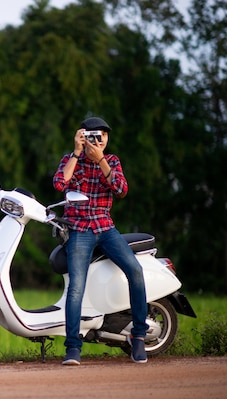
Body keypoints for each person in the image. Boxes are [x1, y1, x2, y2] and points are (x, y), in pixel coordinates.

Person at [52, 116, 149, 365]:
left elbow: (121, 190)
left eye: (103, 136)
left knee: (135, 271)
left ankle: (138, 336)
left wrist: (102, 161)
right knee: (76, 288)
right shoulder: (71, 160)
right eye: (93, 136)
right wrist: (75, 153)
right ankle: (73, 347)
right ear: (82, 137)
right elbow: (60, 183)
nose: (99, 140)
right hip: (79, 229)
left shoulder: (112, 161)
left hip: (105, 228)